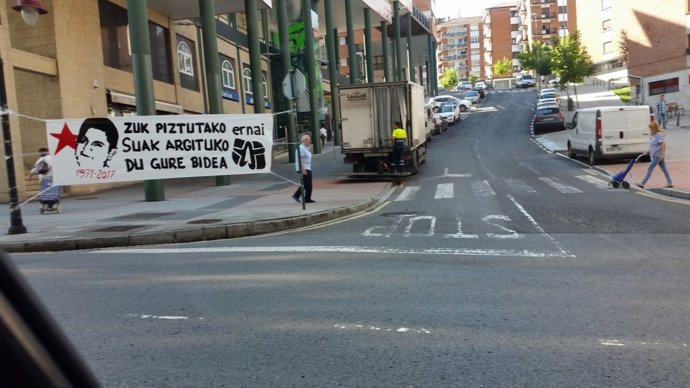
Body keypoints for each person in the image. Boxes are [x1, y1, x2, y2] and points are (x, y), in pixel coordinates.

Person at [636, 120, 673, 189]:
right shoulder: (654, 135)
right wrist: (648, 152)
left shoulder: (659, 134)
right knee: (664, 169)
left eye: (651, 128)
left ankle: (642, 183)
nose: (650, 129)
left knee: (650, 168)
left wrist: (662, 155)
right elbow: (654, 146)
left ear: (655, 128)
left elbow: (663, 144)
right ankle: (670, 183)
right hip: (656, 155)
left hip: (657, 155)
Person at [29, 147, 61, 213]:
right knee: (54, 192)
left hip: (45, 178)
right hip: (54, 177)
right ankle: (53, 204)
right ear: (48, 151)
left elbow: (35, 169)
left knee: (45, 191)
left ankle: (45, 204)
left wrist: (30, 176)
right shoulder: (53, 158)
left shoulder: (40, 160)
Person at [292, 134, 315, 203]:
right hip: (304, 168)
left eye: (310, 140)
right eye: (308, 140)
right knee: (307, 183)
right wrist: (303, 169)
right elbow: (300, 159)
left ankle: (305, 197)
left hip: (307, 167)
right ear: (304, 140)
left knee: (307, 184)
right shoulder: (301, 148)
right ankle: (299, 196)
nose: (310, 141)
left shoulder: (306, 148)